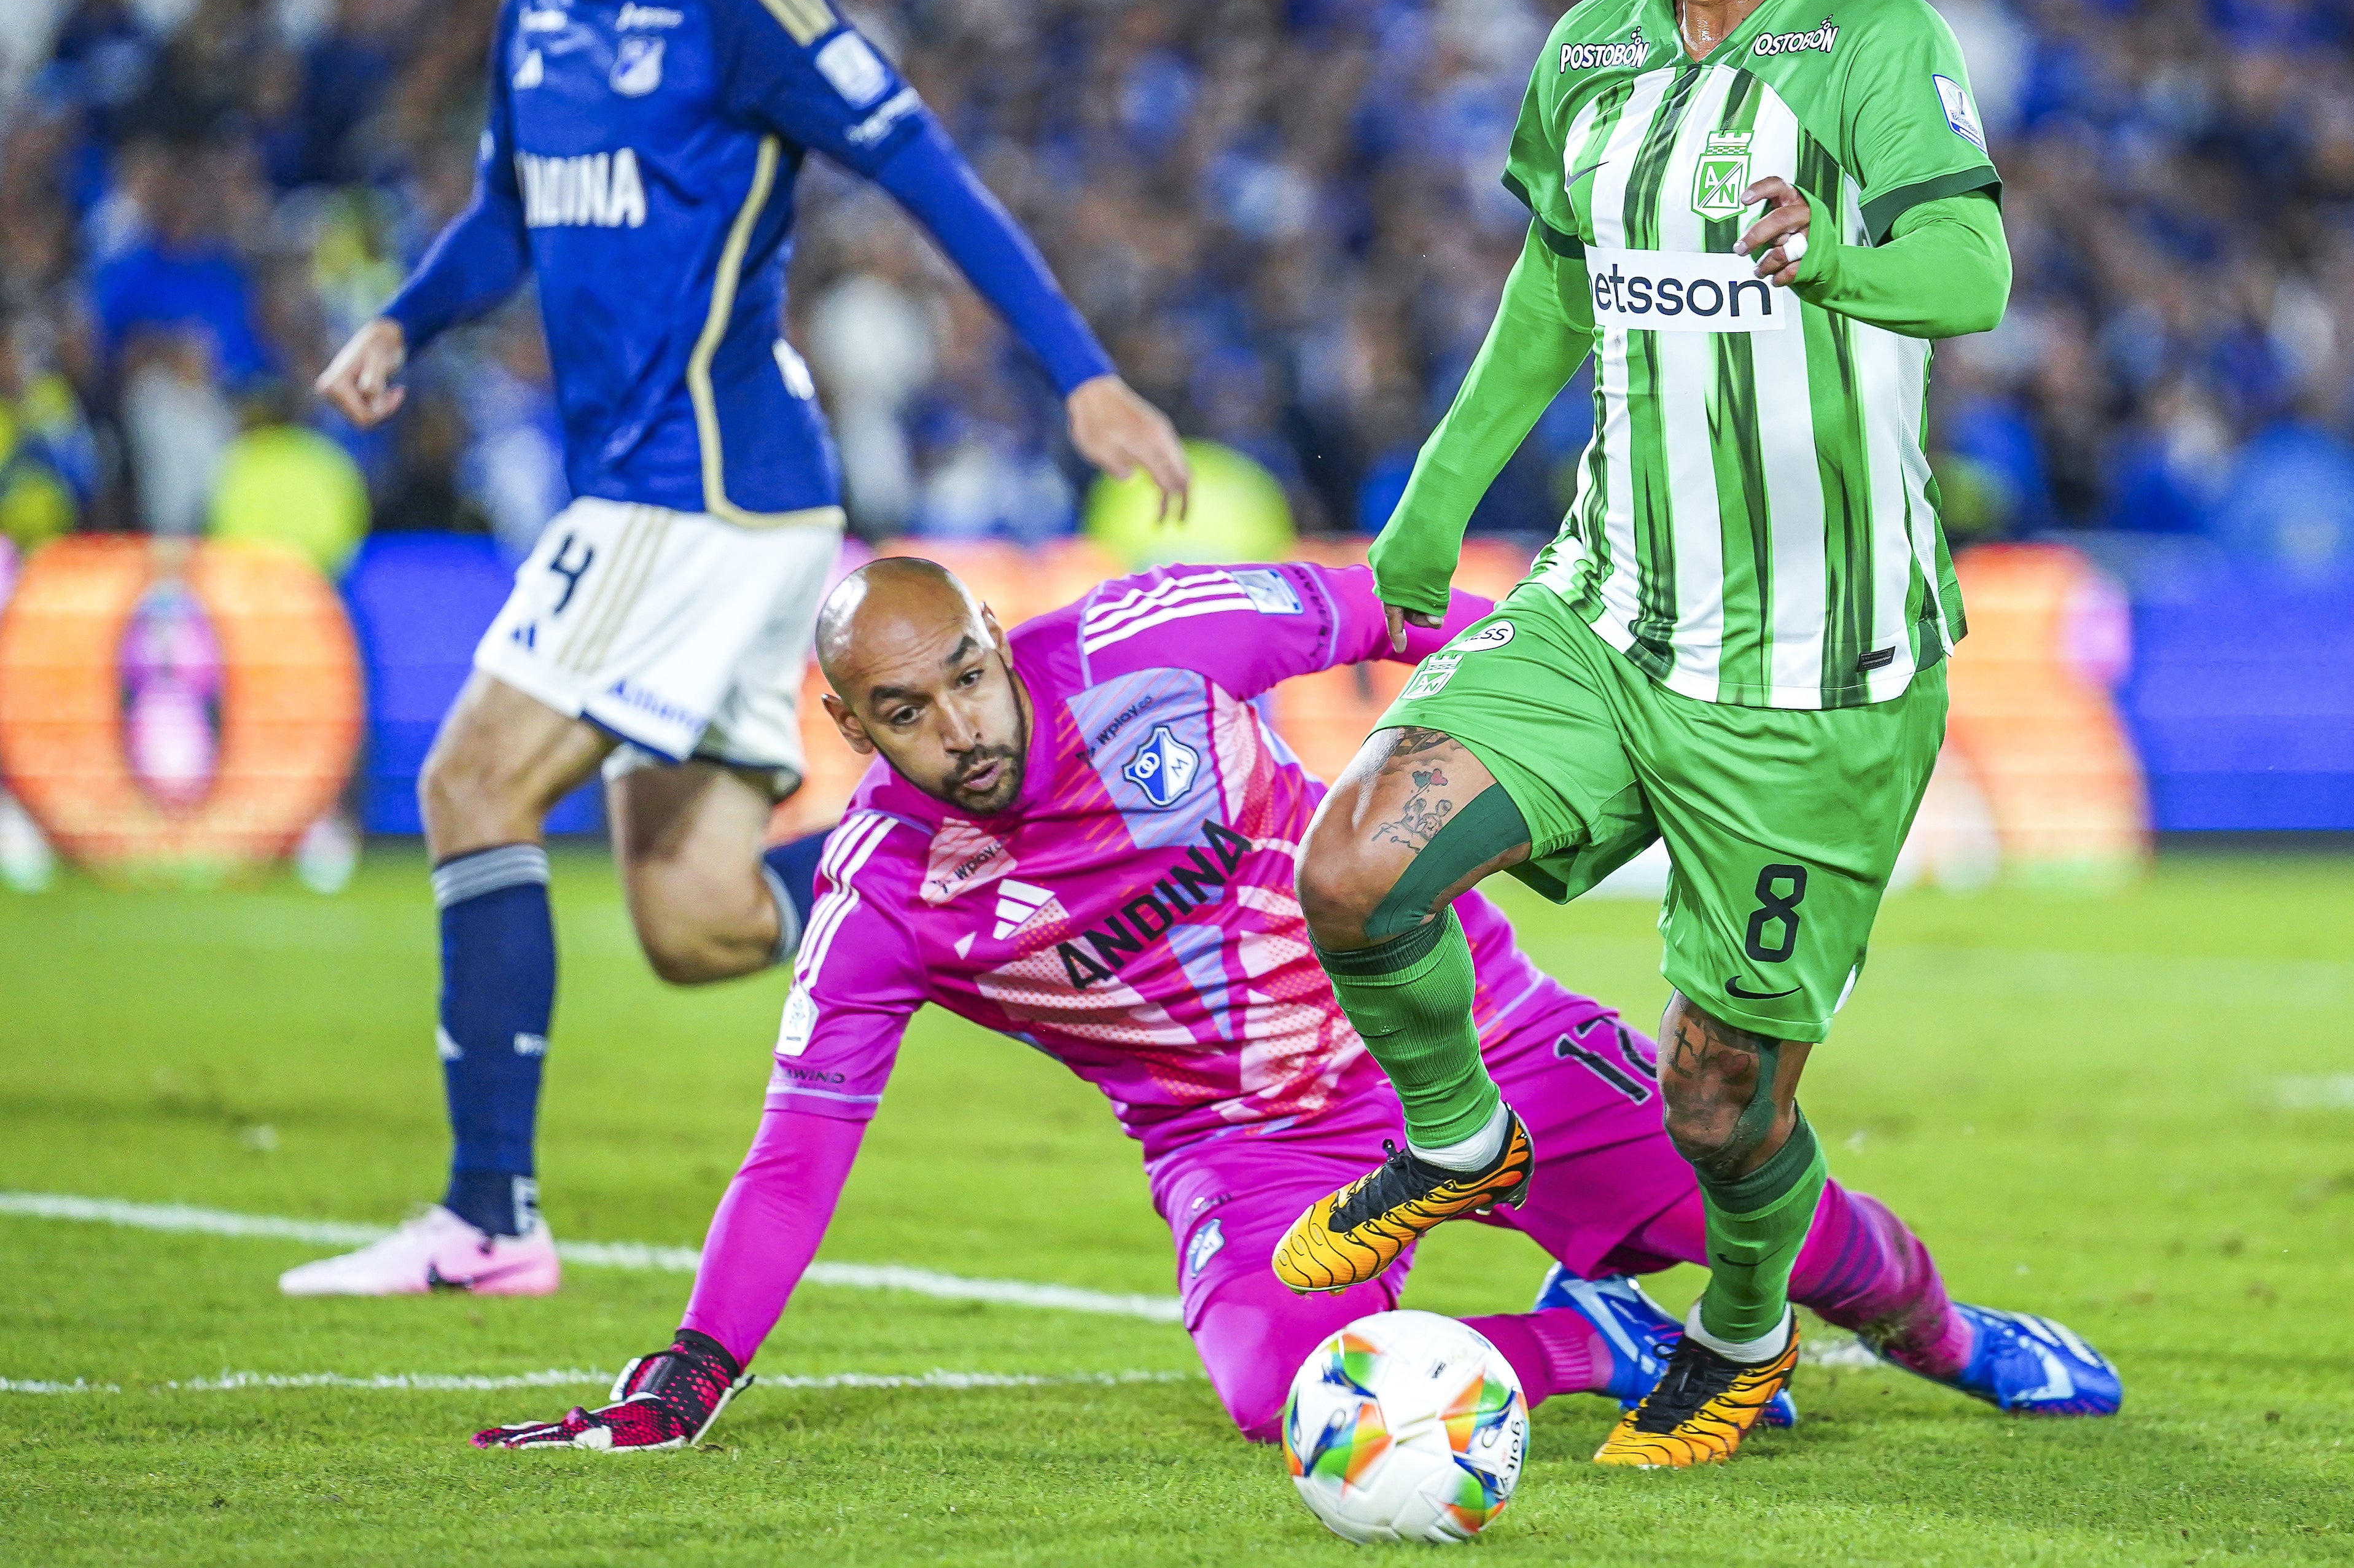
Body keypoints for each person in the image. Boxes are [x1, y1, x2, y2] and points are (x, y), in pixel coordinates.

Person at [470, 557, 2107, 1451]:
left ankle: (1959, 1340)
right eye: (905, 712)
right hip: (1247, 1153)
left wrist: (1583, 730)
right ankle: (1588, 1339)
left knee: (1780, 1210)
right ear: (845, 724)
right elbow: (799, 1149)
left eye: (969, 673)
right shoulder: (883, 906)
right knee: (1282, 1393)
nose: (962, 727)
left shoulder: (1150, 642)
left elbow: (1392, 613)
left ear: (991, 636)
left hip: (1480, 1037)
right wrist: (697, 1362)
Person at [283, 0, 1189, 1298]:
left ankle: (489, 1221)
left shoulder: (744, 6)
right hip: (646, 488)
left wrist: (1080, 370)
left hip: (704, 487)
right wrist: (405, 323)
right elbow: (507, 211)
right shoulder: (530, 17)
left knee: (469, 787)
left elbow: (928, 175)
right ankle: (965, 852)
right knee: (696, 922)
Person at [1273, 0, 2065, 1467]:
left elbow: (1973, 269)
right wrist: (1432, 500)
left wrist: (1838, 257)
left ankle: (1743, 1329)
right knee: (1354, 872)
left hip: (1812, 678)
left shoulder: (1873, 39)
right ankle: (1465, 1140)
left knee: (1720, 1103)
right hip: (1609, 610)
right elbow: (1556, 286)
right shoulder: (1594, 53)